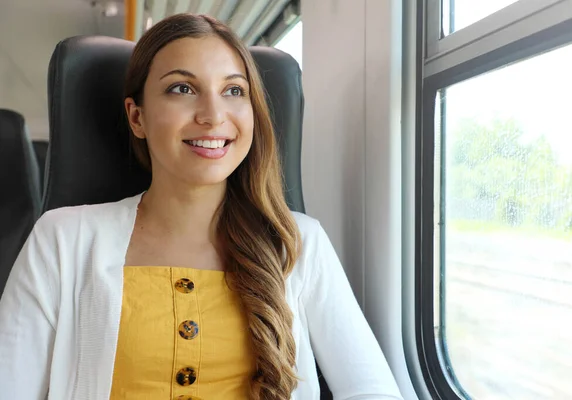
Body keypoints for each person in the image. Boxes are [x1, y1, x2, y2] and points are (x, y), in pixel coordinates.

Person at [0, 13, 402, 400]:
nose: (213, 116)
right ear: (137, 117)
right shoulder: (61, 240)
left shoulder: (297, 242)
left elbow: (372, 389)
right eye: (182, 89)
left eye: (233, 91)